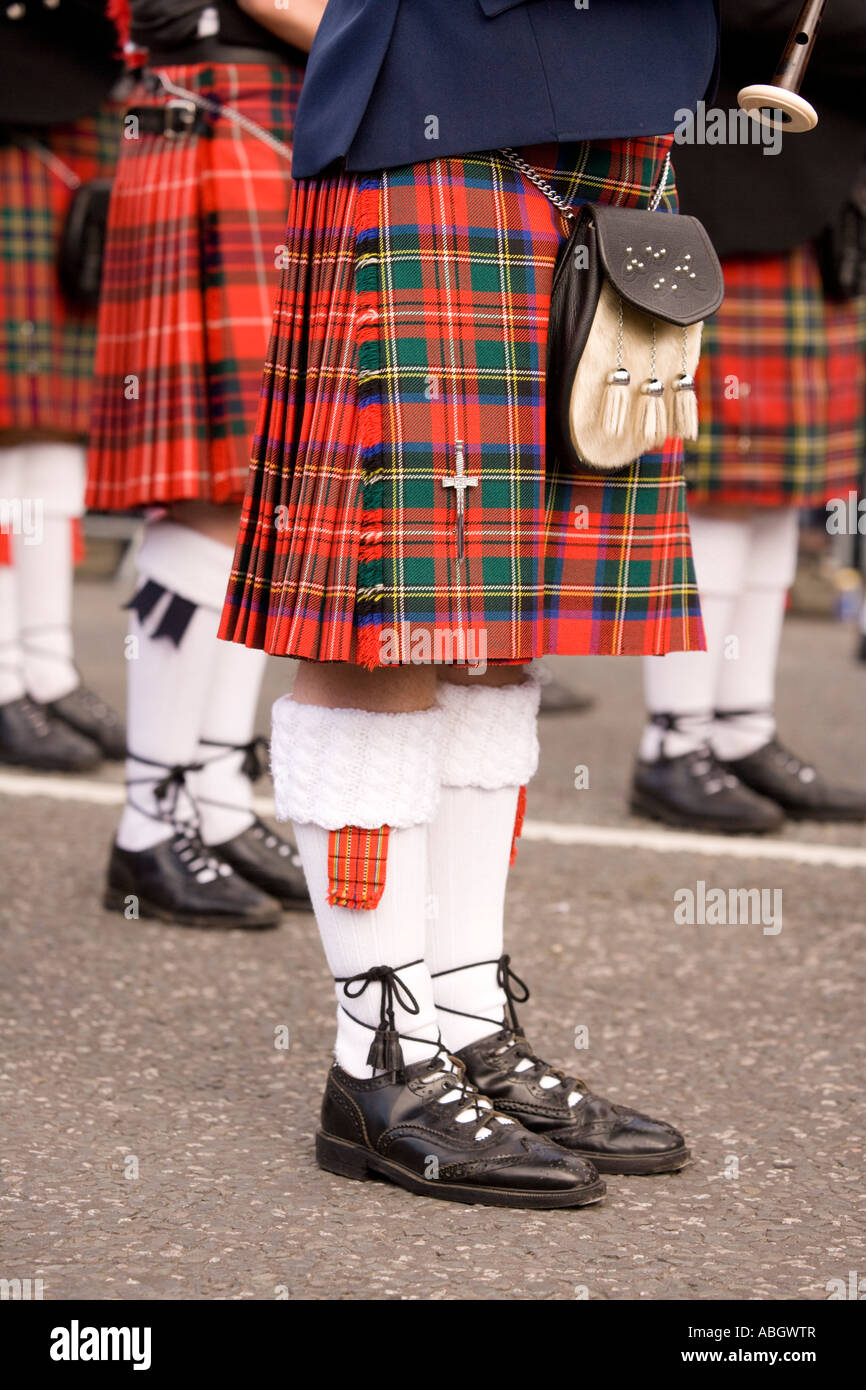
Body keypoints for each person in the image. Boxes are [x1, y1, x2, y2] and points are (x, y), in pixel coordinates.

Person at [219, 0, 721, 1206]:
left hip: (618, 123)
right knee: (390, 608)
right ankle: (376, 1062)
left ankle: (463, 1019)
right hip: (425, 117)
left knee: (502, 616)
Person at [86, 0, 326, 928]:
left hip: (265, 101)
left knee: (256, 487)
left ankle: (214, 797)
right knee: (209, 493)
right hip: (220, 99)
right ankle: (149, 825)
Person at [633, 0, 866, 833]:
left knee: (775, 490)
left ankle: (740, 729)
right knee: (722, 484)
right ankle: (674, 743)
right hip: (729, 191)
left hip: (805, 191)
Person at [0, 0, 127, 772]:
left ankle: (48, 666)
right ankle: (3, 674)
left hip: (77, 85)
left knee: (50, 416)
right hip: (12, 94)